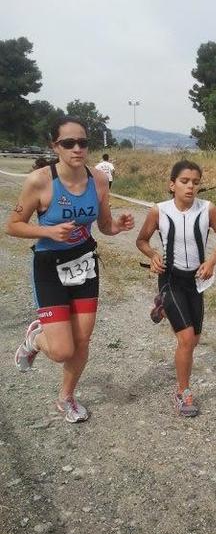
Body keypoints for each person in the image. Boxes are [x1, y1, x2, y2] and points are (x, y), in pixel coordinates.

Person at [5, 116, 134, 423]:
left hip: (85, 261)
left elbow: (103, 225)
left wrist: (117, 226)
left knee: (83, 340)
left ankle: (67, 397)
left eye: (83, 142)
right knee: (62, 350)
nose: (78, 148)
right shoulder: (40, 181)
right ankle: (35, 339)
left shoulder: (98, 180)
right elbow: (12, 226)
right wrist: (48, 232)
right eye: (69, 143)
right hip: (49, 265)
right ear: (56, 146)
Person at [136, 160, 216, 417]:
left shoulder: (207, 209)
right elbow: (142, 240)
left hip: (195, 282)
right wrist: (153, 254)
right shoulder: (159, 211)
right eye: (184, 181)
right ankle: (182, 392)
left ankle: (162, 306)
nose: (190, 187)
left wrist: (211, 261)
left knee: (195, 340)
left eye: (196, 182)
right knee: (187, 339)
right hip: (170, 278)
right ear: (172, 184)